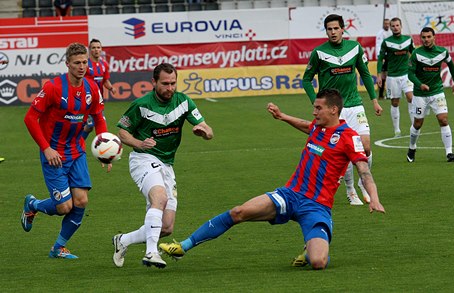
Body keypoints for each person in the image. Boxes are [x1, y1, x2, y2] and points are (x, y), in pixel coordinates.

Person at [159, 89, 386, 270]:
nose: (314, 112)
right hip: (290, 195)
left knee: (318, 262)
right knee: (239, 212)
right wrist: (282, 116)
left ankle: (310, 248)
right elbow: (306, 125)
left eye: (318, 108)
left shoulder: (349, 138)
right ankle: (183, 246)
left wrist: (374, 198)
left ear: (334, 110)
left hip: (317, 206)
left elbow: (364, 170)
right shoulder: (317, 127)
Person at [111, 63, 214, 269]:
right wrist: (139, 143)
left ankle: (123, 240)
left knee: (166, 227)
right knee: (160, 198)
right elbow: (122, 131)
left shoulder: (183, 101)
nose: (170, 88)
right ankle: (151, 253)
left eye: (173, 83)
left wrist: (204, 132)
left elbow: (208, 129)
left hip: (167, 164)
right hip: (143, 158)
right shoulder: (141, 104)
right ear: (154, 82)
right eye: (165, 84)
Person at [21, 42, 110, 259]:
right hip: (54, 155)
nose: (82, 66)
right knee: (63, 207)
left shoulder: (92, 88)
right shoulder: (53, 87)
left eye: (84, 62)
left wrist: (105, 148)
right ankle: (32, 204)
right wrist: (46, 148)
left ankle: (58, 247)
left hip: (76, 151)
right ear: (67, 64)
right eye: (77, 63)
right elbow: (30, 118)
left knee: (81, 201)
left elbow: (98, 118)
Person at [302, 14, 383, 206]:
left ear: (342, 29)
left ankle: (364, 183)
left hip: (355, 105)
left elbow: (364, 72)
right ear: (326, 31)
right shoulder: (319, 52)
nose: (333, 32)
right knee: (342, 151)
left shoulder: (354, 48)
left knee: (366, 147)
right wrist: (318, 104)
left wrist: (374, 101)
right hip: (333, 111)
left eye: (336, 28)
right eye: (329, 29)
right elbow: (306, 79)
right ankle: (350, 189)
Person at [406, 27, 454, 163]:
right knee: (417, 123)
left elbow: (451, 65)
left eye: (429, 37)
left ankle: (449, 153)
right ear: (421, 38)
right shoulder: (416, 54)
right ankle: (412, 147)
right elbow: (410, 73)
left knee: (443, 119)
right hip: (420, 94)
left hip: (437, 91)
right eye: (424, 37)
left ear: (434, 37)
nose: (426, 40)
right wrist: (420, 84)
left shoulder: (442, 52)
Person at [377, 17, 415, 137]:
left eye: (397, 25)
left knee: (411, 98)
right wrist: (379, 75)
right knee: (395, 102)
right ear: (391, 27)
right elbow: (380, 58)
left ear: (401, 26)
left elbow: (414, 54)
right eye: (393, 26)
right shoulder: (386, 42)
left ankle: (414, 127)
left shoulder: (408, 40)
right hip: (392, 76)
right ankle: (397, 130)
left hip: (406, 75)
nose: (395, 27)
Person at [82, 39, 116, 140]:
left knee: (93, 125)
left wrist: (111, 88)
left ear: (101, 49)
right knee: (89, 125)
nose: (96, 50)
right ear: (89, 50)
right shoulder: (85, 64)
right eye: (93, 48)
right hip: (85, 100)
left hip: (98, 101)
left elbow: (105, 80)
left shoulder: (104, 64)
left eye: (98, 47)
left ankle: (104, 148)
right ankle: (75, 144)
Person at [375, 18, 392, 100]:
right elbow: (378, 45)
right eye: (385, 23)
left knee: (389, 76)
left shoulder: (391, 32)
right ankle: (381, 94)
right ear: (383, 24)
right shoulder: (380, 33)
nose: (387, 25)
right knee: (383, 76)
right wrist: (380, 57)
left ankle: (389, 94)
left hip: (390, 56)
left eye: (388, 23)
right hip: (383, 56)